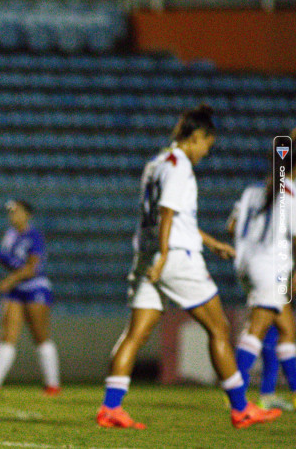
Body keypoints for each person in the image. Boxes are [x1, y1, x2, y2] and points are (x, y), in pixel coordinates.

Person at [96, 104, 282, 429]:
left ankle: (110, 408)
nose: (205, 153)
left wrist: (210, 243)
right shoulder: (180, 166)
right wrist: (167, 256)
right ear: (196, 137)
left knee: (135, 333)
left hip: (146, 256)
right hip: (176, 258)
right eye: (206, 145)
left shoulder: (155, 164)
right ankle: (241, 408)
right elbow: (167, 213)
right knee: (219, 328)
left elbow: (171, 218)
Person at [227, 140, 296, 413]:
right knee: (256, 330)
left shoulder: (252, 192)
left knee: (286, 329)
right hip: (268, 269)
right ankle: (235, 394)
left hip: (246, 264)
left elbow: (232, 225)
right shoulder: (292, 194)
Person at [0, 199, 60, 396]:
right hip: (16, 288)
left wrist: (10, 279)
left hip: (35, 287)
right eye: (11, 212)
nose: (13, 215)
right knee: (7, 334)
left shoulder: (33, 236)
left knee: (40, 335)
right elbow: (16, 264)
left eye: (17, 212)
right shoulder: (10, 235)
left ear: (27, 214)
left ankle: (52, 384)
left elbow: (32, 268)